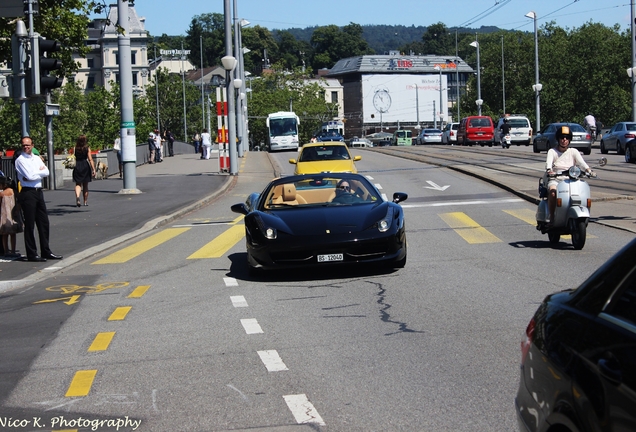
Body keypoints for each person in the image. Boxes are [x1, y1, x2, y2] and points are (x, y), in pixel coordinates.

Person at [14, 136, 62, 262]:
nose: (26, 147)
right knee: (30, 224)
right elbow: (29, 176)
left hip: (38, 192)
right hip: (28, 193)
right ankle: (32, 253)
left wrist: (35, 173)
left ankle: (46, 251)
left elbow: (46, 172)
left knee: (43, 222)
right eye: (24, 145)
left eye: (28, 145)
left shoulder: (36, 158)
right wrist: (36, 173)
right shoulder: (20, 160)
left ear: (32, 145)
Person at [544, 125, 595, 226]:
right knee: (553, 193)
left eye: (567, 138)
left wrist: (589, 170)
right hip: (556, 179)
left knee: (581, 191)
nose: (564, 140)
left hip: (571, 179)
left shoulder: (573, 151)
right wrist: (550, 170)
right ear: (558, 139)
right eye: (562, 137)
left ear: (569, 140)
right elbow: (548, 164)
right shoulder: (552, 151)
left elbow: (582, 163)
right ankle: (552, 216)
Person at [0, 175, 23, 258]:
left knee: (4, 234)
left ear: (4, 185)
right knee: (13, 234)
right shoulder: (14, 191)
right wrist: (18, 210)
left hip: (5, 214)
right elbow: (20, 201)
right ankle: (13, 250)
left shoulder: (2, 193)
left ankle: (6, 250)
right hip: (13, 213)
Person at [72, 135, 96, 207]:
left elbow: (73, 157)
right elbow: (90, 159)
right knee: (85, 185)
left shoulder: (75, 148)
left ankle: (78, 197)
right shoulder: (87, 148)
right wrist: (93, 169)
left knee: (78, 184)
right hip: (85, 165)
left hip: (77, 166)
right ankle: (85, 202)